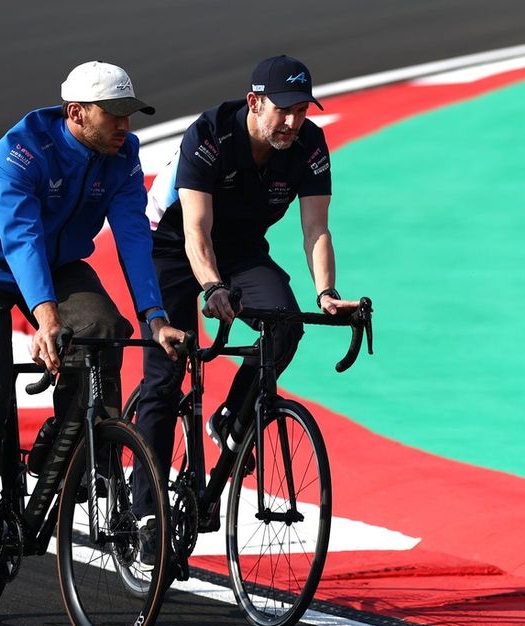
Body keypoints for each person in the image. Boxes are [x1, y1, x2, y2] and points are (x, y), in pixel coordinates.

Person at [0, 61, 185, 596]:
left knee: (105, 328)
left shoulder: (122, 155)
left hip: (59, 268)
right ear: (76, 113)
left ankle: (73, 445)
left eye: (130, 114)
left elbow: (134, 234)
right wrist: (46, 318)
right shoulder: (21, 150)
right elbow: (20, 238)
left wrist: (155, 317)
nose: (125, 125)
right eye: (114, 115)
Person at [135, 55, 359, 521]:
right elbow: (196, 230)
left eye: (302, 110)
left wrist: (327, 293)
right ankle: (146, 515)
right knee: (167, 373)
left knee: (286, 325)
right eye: (284, 110)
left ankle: (231, 420)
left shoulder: (309, 145)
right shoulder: (210, 134)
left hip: (240, 248)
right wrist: (213, 287)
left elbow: (316, 228)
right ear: (254, 103)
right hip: (171, 245)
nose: (293, 122)